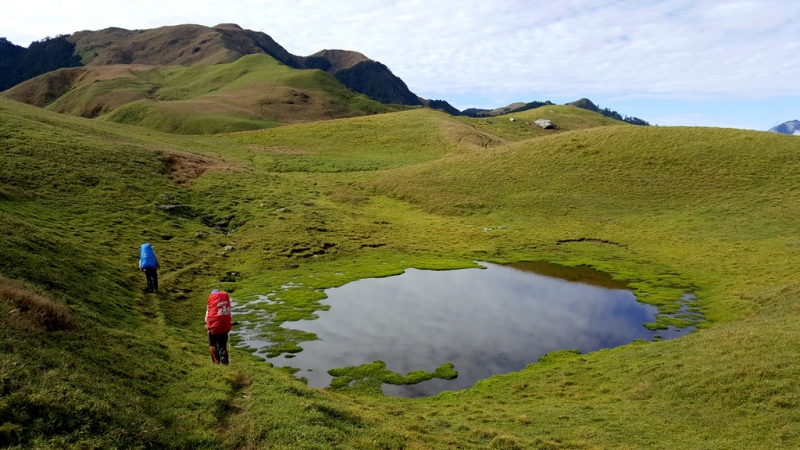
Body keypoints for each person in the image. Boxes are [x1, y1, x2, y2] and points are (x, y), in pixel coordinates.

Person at [206, 289, 232, 365]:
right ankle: (225, 363)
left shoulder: (211, 305)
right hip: (224, 328)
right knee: (222, 346)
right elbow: (229, 314)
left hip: (213, 328)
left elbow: (207, 316)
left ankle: (216, 362)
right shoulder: (225, 304)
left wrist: (208, 326)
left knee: (213, 345)